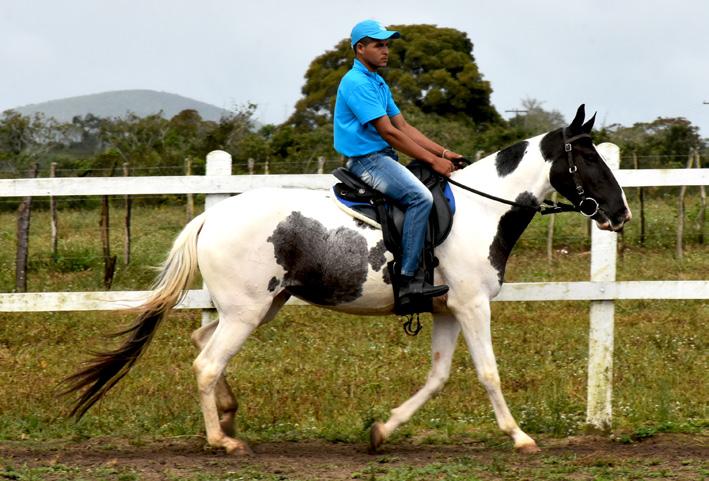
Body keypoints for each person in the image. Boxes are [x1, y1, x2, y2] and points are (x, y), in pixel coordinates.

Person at [333, 19, 464, 305]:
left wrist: (443, 153)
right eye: (379, 44)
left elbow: (404, 126)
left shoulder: (377, 82)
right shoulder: (356, 82)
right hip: (367, 161)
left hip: (382, 158)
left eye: (387, 44)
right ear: (360, 48)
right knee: (420, 198)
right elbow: (389, 132)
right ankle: (409, 279)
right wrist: (432, 160)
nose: (386, 50)